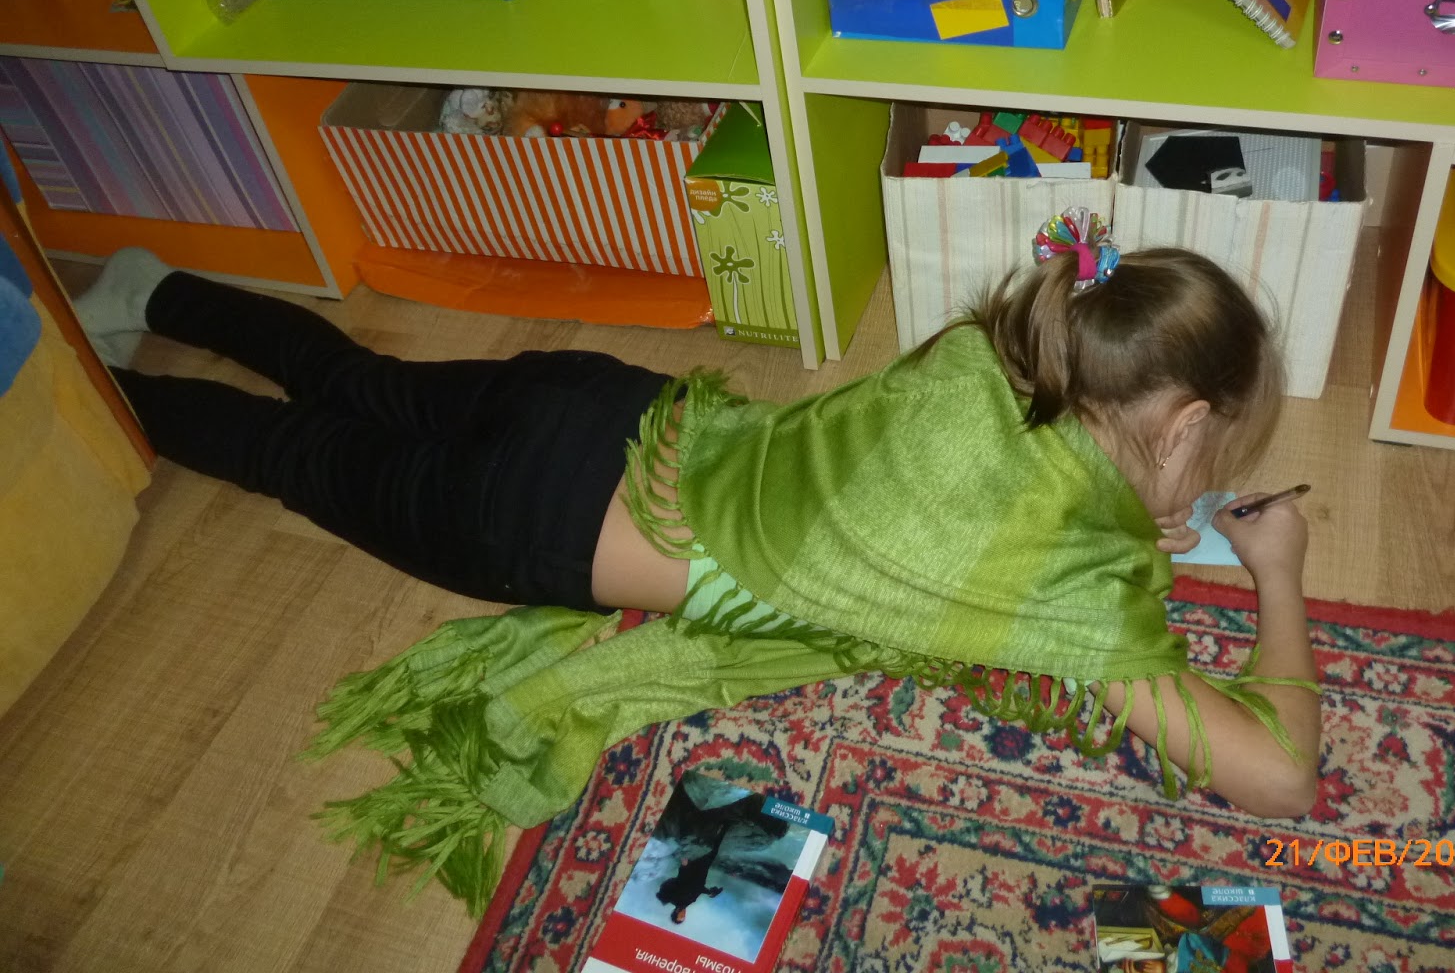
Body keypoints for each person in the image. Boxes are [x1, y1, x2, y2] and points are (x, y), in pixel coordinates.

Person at [73, 223, 1320, 910]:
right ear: (1182, 426)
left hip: (601, 404)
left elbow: (973, 501)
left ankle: (152, 288)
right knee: (291, 455)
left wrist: (1128, 521)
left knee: (364, 381)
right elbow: (1277, 779)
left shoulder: (989, 357)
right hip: (522, 523)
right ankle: (87, 391)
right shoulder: (1063, 592)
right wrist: (1274, 571)